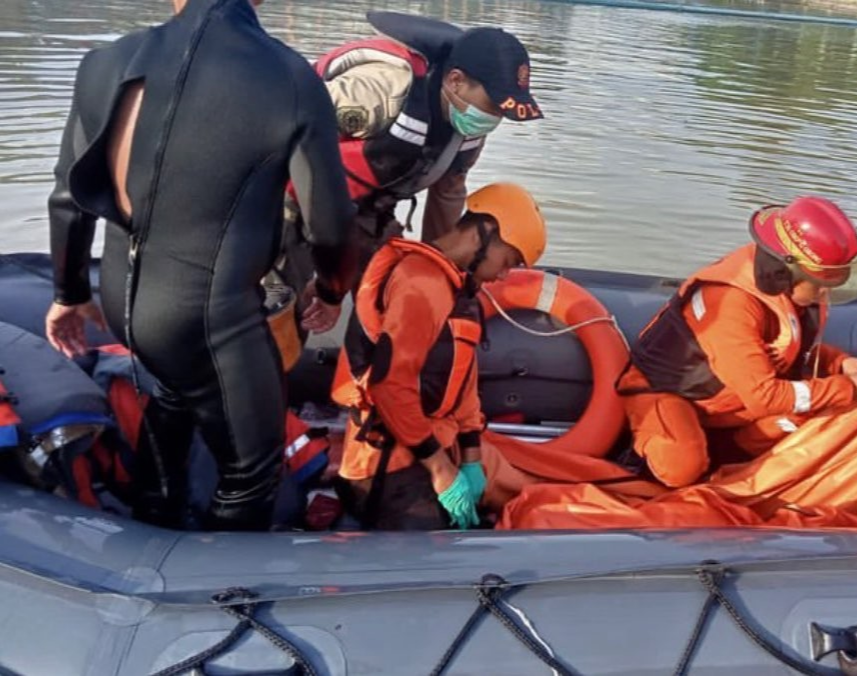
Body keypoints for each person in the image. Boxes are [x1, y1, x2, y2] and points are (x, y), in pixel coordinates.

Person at [44, 0, 356, 531]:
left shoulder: (105, 62)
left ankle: (153, 523)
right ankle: (217, 598)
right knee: (252, 473)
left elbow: (67, 201)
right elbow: (329, 223)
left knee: (173, 389)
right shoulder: (289, 77)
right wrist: (330, 290)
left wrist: (69, 294)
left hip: (123, 301)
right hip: (210, 318)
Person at [616, 197, 857, 488]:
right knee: (680, 465)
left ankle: (725, 468)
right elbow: (765, 396)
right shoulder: (732, 303)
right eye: (820, 286)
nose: (824, 295)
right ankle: (651, 462)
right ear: (786, 272)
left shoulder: (785, 292)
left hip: (729, 399)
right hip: (670, 393)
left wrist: (840, 363)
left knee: (814, 416)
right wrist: (847, 388)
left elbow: (787, 352)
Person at [330, 182, 546, 530]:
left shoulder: (457, 289)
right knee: (441, 557)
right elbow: (390, 386)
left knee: (515, 504)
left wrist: (471, 456)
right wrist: (441, 470)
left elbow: (464, 382)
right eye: (508, 261)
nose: (505, 275)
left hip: (432, 442)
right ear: (485, 232)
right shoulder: (420, 284)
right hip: (386, 463)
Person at [280, 12, 542, 294]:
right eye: (493, 105)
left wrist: (438, 270)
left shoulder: (469, 129)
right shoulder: (382, 90)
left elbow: (448, 193)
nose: (494, 118)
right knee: (285, 299)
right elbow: (283, 124)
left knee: (394, 287)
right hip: (291, 199)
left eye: (503, 112)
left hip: (369, 208)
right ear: (456, 80)